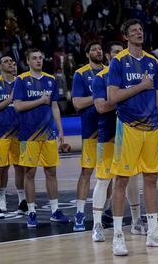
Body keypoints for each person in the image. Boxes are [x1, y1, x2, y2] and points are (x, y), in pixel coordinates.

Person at [108, 19, 158, 256]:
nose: (139, 33)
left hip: (151, 130)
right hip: (127, 128)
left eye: (141, 30)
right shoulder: (117, 62)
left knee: (151, 179)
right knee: (121, 180)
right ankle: (118, 235)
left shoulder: (152, 62)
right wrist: (141, 86)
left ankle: (153, 232)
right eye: (134, 31)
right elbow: (113, 97)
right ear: (125, 36)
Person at [91, 41, 146, 241]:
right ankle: (97, 224)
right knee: (103, 179)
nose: (118, 55)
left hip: (130, 134)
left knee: (131, 178)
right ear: (108, 56)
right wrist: (126, 98)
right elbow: (101, 107)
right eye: (115, 52)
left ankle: (137, 221)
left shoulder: (131, 78)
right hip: (108, 135)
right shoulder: (100, 78)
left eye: (120, 52)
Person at [13, 48, 68, 227]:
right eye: (34, 58)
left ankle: (54, 210)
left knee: (51, 171)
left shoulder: (50, 80)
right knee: (29, 173)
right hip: (28, 135)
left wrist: (61, 131)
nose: (38, 61)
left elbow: (54, 107)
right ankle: (31, 212)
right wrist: (39, 101)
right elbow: (18, 106)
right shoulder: (21, 80)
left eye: (40, 58)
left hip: (49, 134)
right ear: (27, 62)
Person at [0, 55, 27, 218]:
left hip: (19, 132)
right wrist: (9, 100)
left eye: (12, 61)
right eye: (6, 61)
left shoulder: (21, 82)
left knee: (20, 167)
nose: (11, 63)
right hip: (1, 133)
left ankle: (22, 201)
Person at [71, 42, 105, 231]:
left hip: (108, 131)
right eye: (93, 49)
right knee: (86, 172)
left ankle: (104, 211)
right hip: (90, 130)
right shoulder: (81, 74)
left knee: (107, 174)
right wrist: (99, 97)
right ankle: (80, 213)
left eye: (99, 49)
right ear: (87, 54)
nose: (98, 51)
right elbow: (76, 103)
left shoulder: (109, 71)